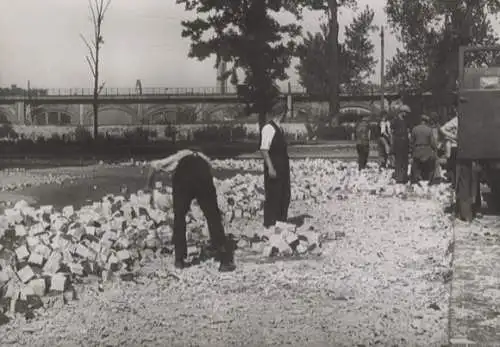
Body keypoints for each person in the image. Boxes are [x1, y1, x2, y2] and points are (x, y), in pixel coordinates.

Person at [145, 149, 236, 272]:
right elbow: (211, 174)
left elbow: (153, 166)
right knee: (212, 216)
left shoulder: (179, 156)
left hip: (183, 180)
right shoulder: (205, 159)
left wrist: (148, 185)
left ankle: (179, 260)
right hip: (203, 178)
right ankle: (224, 259)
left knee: (179, 217)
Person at [260, 101, 291, 229]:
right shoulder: (268, 128)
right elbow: (264, 149)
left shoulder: (279, 128)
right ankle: (270, 223)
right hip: (274, 165)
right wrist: (271, 168)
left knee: (284, 194)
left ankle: (281, 221)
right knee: (273, 194)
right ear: (281, 113)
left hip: (283, 165)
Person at [410, 114, 438, 184]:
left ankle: (416, 179)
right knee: (432, 162)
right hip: (426, 150)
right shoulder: (429, 130)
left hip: (417, 150)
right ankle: (430, 180)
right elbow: (432, 143)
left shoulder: (414, 129)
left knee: (415, 164)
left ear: (420, 121)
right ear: (426, 121)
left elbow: (411, 142)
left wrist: (412, 151)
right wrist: (435, 149)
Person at [391, 105, 411, 183]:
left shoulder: (406, 121)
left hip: (405, 142)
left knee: (405, 160)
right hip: (398, 142)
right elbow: (391, 133)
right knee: (399, 160)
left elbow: (408, 131)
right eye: (406, 112)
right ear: (402, 112)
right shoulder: (395, 121)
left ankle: (404, 177)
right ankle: (399, 178)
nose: (406, 114)